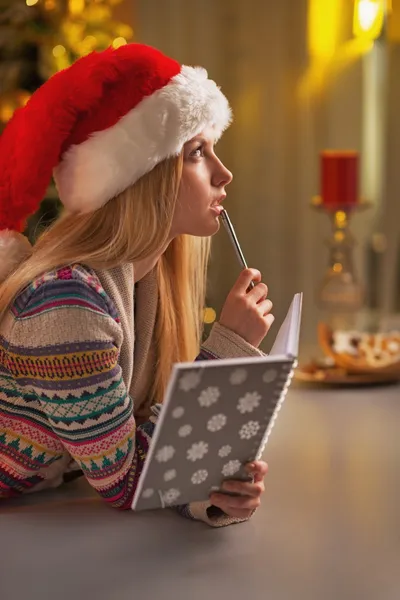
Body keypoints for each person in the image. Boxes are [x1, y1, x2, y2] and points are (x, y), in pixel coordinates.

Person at [0, 43, 274, 527]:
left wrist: (209, 491)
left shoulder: (143, 281)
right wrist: (230, 345)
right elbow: (127, 481)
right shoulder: (67, 304)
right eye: (195, 153)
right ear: (141, 177)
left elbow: (139, 437)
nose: (223, 173)